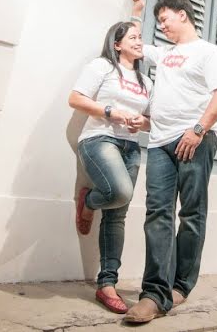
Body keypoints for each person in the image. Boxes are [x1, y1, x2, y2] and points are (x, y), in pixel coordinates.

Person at [123, 0, 217, 324]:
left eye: (165, 19)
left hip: (195, 141)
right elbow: (134, 43)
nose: (162, 26)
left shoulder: (208, 52)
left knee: (192, 213)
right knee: (158, 212)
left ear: (183, 15)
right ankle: (153, 294)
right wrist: (138, 13)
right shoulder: (165, 53)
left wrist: (197, 130)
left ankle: (181, 285)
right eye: (158, 22)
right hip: (159, 142)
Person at [68, 21, 151, 314]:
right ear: (117, 44)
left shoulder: (146, 82)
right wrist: (110, 112)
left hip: (130, 147)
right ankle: (89, 201)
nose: (140, 41)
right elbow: (75, 99)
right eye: (133, 37)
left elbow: (152, 119)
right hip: (99, 139)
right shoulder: (101, 67)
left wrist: (144, 122)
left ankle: (107, 284)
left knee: (118, 214)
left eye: (141, 37)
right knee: (120, 192)